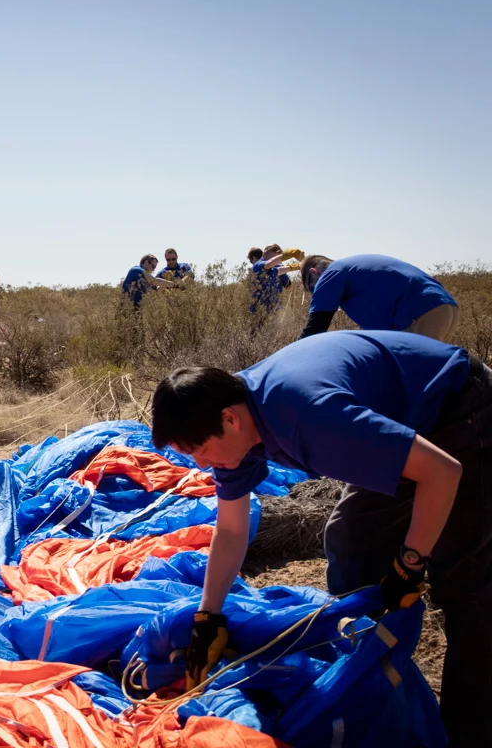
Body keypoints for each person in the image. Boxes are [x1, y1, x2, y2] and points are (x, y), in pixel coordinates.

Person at [150, 331, 492, 743]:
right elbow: (232, 529)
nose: (202, 463)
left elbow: (443, 471)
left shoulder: (308, 416)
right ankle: (375, 677)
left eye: (199, 450)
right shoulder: (228, 425)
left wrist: (411, 562)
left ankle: (469, 729)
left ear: (230, 419)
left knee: (468, 588)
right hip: (399, 426)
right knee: (352, 548)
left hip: (459, 411)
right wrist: (209, 617)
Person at [299, 254, 459, 342]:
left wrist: (287, 356)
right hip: (445, 307)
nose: (317, 293)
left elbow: (315, 328)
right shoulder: (352, 270)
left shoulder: (331, 274)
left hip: (418, 314)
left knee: (411, 381)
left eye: (313, 288)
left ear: (314, 272)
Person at [249, 244, 301, 314]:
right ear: (265, 253)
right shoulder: (258, 264)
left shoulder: (271, 269)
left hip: (273, 310)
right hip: (259, 311)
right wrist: (290, 254)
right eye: (276, 257)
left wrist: (296, 266)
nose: (278, 260)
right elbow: (269, 263)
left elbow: (279, 271)